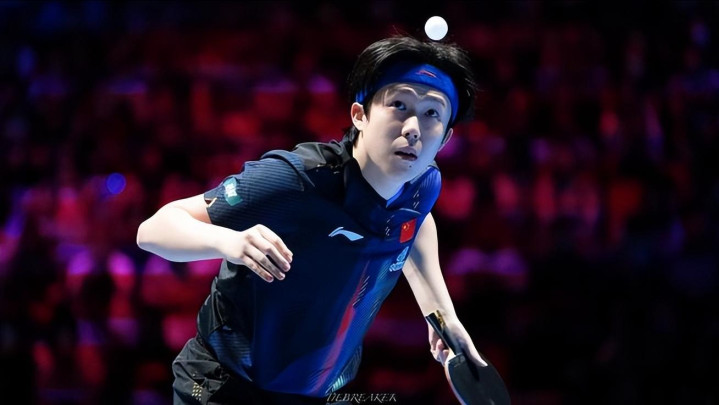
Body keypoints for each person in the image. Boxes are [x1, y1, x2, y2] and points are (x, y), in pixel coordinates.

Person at [137, 34, 486, 405]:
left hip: (316, 392)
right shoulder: (298, 179)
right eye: (399, 104)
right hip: (222, 385)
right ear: (360, 115)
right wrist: (230, 241)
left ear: (445, 139)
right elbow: (153, 230)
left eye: (432, 113)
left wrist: (442, 316)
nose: (413, 127)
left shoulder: (423, 184)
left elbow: (415, 223)